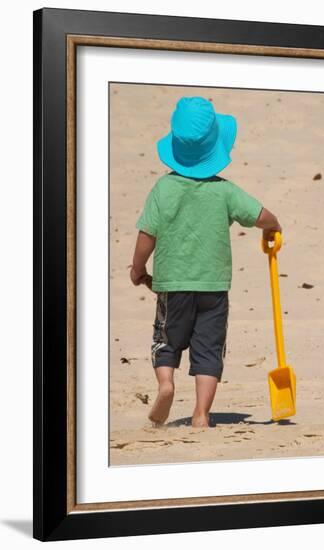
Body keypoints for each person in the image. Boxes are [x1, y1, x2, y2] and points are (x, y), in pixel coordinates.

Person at [130, 96, 282, 428]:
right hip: (213, 287)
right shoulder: (225, 191)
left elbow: (147, 236)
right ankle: (201, 413)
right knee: (209, 350)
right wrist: (274, 226)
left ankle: (166, 383)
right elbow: (260, 214)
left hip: (172, 286)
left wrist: (138, 269)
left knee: (167, 340)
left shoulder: (163, 189)